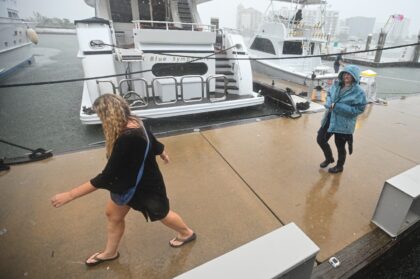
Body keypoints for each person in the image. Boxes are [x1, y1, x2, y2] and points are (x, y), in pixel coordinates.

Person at [51, 94, 196, 266]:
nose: (100, 120)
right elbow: (152, 140)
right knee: (113, 215)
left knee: (162, 214)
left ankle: (187, 233)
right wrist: (161, 152)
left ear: (108, 115)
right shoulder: (136, 121)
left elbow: (106, 177)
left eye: (100, 116)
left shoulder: (127, 138)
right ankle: (110, 253)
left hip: (144, 186)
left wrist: (70, 195)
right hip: (127, 184)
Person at [317, 65, 367, 174]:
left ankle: (339, 166)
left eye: (350, 74)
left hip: (344, 123)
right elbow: (329, 94)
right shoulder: (336, 85)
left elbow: (360, 109)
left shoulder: (359, 92)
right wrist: (329, 103)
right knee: (320, 139)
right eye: (345, 73)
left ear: (355, 77)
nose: (346, 76)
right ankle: (329, 158)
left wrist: (338, 107)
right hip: (330, 118)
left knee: (340, 146)